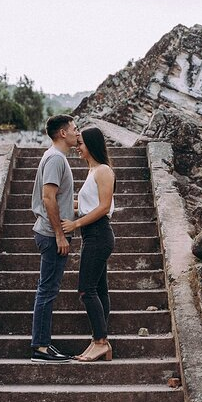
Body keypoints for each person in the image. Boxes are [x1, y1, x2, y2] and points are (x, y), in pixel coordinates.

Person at [61, 127, 115, 362]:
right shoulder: (92, 170)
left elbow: (103, 207)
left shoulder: (103, 170)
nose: (77, 147)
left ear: (91, 145)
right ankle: (100, 341)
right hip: (92, 235)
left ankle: (100, 342)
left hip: (99, 234)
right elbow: (87, 204)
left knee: (86, 289)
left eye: (81, 143)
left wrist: (75, 225)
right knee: (99, 289)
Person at [30, 114, 80, 363]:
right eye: (74, 128)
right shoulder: (55, 159)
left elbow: (58, 199)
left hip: (52, 232)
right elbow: (48, 197)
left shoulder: (56, 158)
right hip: (51, 234)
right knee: (47, 290)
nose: (77, 133)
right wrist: (60, 234)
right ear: (62, 133)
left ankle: (43, 344)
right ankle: (40, 347)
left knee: (48, 289)